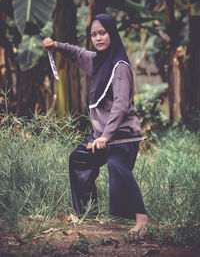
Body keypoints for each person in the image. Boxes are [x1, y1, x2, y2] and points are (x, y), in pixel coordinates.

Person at [43, 13, 149, 234]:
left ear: (112, 33)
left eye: (102, 33)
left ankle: (141, 219)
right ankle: (87, 213)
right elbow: (77, 53)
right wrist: (55, 45)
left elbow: (120, 105)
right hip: (102, 136)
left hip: (122, 135)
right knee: (79, 159)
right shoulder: (96, 61)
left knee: (116, 164)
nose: (98, 38)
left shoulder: (120, 66)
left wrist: (105, 136)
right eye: (93, 35)